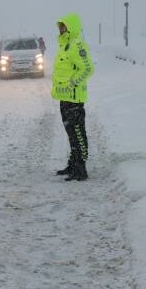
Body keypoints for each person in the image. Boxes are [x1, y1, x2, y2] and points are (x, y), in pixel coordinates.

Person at [51, 13, 94, 181]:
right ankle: (73, 164)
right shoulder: (64, 45)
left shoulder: (77, 45)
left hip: (75, 98)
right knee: (71, 133)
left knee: (77, 132)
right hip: (65, 98)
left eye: (63, 26)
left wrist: (72, 82)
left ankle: (81, 168)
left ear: (71, 27)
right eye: (60, 26)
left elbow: (88, 68)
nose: (61, 29)